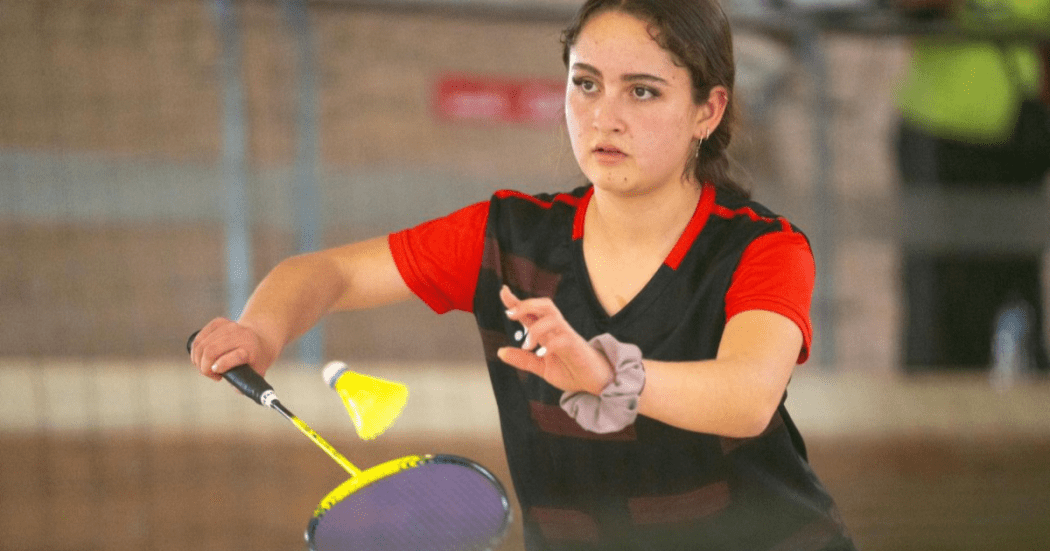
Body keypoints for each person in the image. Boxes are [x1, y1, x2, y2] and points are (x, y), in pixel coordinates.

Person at [189, 0, 856, 549]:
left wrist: (606, 374)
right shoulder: (508, 236)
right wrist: (259, 331)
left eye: (643, 91)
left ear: (707, 112)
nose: (605, 116)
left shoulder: (761, 247)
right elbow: (327, 270)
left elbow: (747, 396)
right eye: (586, 82)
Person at [893, 0, 1050, 371]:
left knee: (1015, 291)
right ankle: (934, 418)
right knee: (941, 307)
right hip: (942, 132)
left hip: (1021, 134)